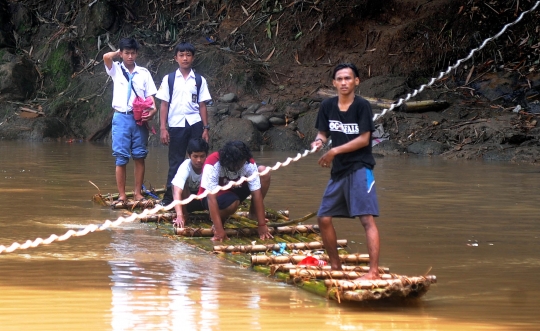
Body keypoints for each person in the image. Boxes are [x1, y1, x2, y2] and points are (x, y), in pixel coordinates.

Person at [311, 63, 381, 280]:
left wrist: (334, 151)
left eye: (348, 78)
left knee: (366, 220)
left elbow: (364, 139)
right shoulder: (327, 106)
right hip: (339, 171)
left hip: (360, 167)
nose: (344, 82)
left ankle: (373, 272)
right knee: (323, 218)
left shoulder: (362, 106)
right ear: (333, 83)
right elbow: (322, 133)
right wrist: (318, 143)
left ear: (356, 81)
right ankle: (335, 266)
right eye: (339, 79)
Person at [155, 42, 212, 206]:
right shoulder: (169, 79)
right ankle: (168, 198)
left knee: (198, 160)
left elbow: (202, 105)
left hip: (195, 124)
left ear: (193, 58)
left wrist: (206, 128)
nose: (185, 58)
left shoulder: (200, 80)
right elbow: (164, 105)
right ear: (176, 58)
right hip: (176, 125)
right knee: (175, 162)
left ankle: (200, 196)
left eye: (188, 55)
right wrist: (163, 128)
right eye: (181, 55)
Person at [103, 38, 157, 206]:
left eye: (133, 53)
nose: (130, 56)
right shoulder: (116, 70)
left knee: (139, 156)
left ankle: (137, 193)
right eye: (126, 53)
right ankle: (122, 195)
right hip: (121, 116)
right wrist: (117, 53)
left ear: (137, 53)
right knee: (121, 158)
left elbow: (150, 97)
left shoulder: (144, 73)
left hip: (139, 118)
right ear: (121, 53)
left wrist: (153, 110)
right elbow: (106, 57)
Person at [198, 141, 272, 241]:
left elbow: (256, 194)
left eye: (241, 163)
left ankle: (253, 214)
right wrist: (219, 230)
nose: (239, 167)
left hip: (236, 189)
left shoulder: (248, 163)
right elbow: (211, 199)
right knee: (232, 203)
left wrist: (261, 224)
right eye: (237, 165)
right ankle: (218, 219)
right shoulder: (213, 164)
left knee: (264, 172)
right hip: (213, 196)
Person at [171, 138, 209, 228]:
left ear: (206, 155)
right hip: (187, 201)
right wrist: (180, 215)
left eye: (202, 156)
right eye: (195, 156)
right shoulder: (185, 166)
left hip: (204, 201)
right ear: (189, 155)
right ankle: (184, 214)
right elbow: (177, 191)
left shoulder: (210, 166)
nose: (199, 160)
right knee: (177, 186)